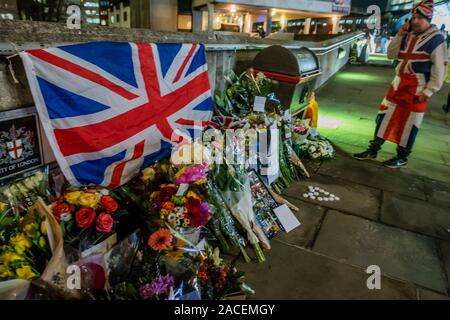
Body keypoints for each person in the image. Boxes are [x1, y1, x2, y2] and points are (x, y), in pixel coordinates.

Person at [353, 0, 448, 168]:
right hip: (398, 84)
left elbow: (439, 69)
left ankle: (402, 157)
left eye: (420, 17)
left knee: (410, 123)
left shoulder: (437, 39)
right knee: (384, 116)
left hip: (417, 87)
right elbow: (391, 54)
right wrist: (400, 34)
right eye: (414, 17)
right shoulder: (407, 35)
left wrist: (428, 91)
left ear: (429, 18)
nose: (416, 21)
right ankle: (373, 149)